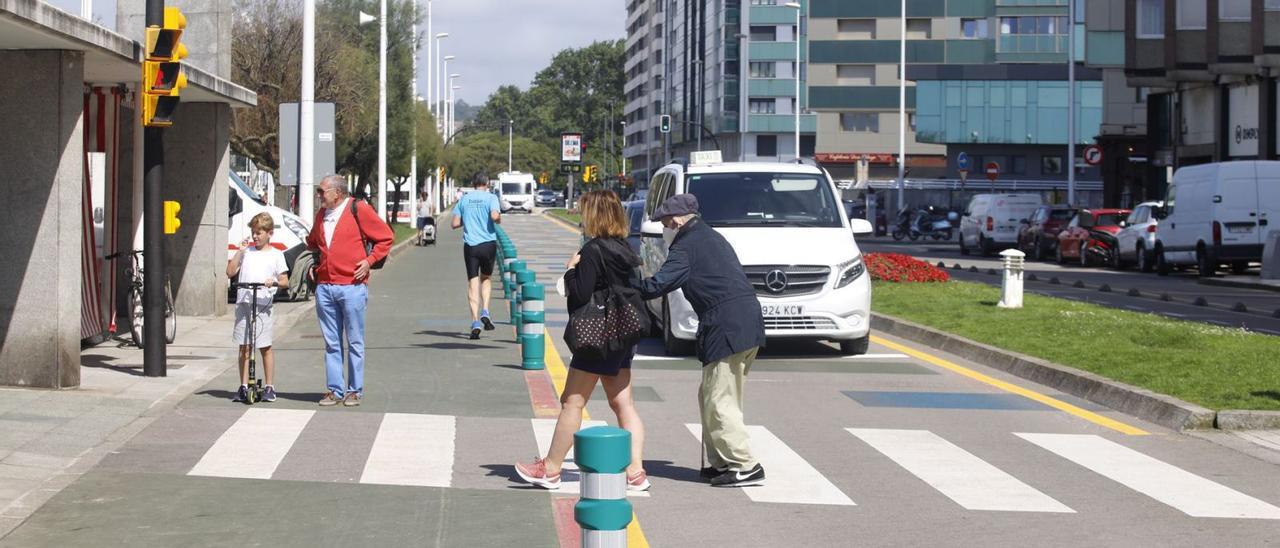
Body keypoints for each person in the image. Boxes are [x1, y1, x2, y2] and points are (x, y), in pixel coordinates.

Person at [514, 190, 649, 492]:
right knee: (623, 403)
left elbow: (581, 294)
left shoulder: (592, 250)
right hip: (622, 335)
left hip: (596, 338)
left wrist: (571, 268)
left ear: (594, 216)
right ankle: (636, 471)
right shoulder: (625, 249)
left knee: (572, 402)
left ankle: (550, 468)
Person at [634, 194, 767, 488]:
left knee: (720, 398)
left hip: (727, 324)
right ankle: (722, 462)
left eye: (667, 221)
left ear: (680, 219)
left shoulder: (687, 245)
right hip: (742, 321)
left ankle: (745, 465)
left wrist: (627, 287)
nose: (665, 226)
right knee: (712, 394)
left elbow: (660, 283)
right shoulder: (710, 236)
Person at [306, 174, 394, 407]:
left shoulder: (358, 209)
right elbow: (313, 242)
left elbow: (385, 237)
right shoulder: (321, 215)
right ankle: (335, 390)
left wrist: (369, 260)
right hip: (325, 287)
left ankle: (354, 390)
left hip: (352, 287)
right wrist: (313, 266)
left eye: (321, 191)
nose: (319, 196)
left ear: (338, 192)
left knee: (355, 341)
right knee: (331, 342)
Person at [226, 212, 289, 403]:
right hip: (244, 302)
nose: (255, 236)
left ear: (269, 233)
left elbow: (285, 281)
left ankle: (270, 386)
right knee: (244, 346)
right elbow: (230, 272)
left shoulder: (276, 255)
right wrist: (240, 251)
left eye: (259, 233)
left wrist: (274, 282)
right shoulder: (247, 253)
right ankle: (243, 385)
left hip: (262, 304)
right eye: (253, 232)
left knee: (264, 346)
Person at [451, 174, 502, 340]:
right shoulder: (491, 197)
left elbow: (454, 223)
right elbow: (495, 216)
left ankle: (474, 322)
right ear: (486, 184)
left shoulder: (464, 199)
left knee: (472, 281)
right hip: (488, 245)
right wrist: (498, 218)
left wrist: (468, 220)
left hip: (471, 246)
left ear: (473, 184)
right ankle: (485, 310)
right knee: (486, 278)